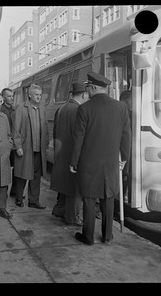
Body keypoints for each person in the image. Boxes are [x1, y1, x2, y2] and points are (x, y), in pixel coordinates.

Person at [70, 72, 131, 245]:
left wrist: (73, 162)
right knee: (108, 197)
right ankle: (107, 235)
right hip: (111, 162)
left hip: (89, 163)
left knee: (89, 198)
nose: (87, 91)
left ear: (94, 87)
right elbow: (126, 136)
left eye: (88, 87)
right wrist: (124, 158)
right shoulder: (121, 107)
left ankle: (88, 236)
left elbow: (78, 139)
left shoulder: (84, 109)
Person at [51, 82, 89, 226]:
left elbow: (55, 132)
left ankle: (59, 209)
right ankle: (72, 217)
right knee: (75, 188)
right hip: (73, 154)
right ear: (84, 94)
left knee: (63, 186)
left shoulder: (62, 109)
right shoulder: (79, 110)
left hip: (61, 153)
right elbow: (80, 135)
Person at [13, 83, 49, 209]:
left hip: (39, 149)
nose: (39, 97)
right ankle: (19, 198)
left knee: (36, 176)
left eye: (40, 95)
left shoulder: (42, 108)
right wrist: (18, 146)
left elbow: (46, 129)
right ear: (30, 95)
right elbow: (15, 129)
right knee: (22, 174)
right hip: (25, 148)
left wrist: (46, 145)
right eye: (36, 95)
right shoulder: (21, 108)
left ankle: (34, 201)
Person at [0, 88, 19, 199]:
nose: (11, 98)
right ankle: (4, 191)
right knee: (5, 169)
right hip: (5, 143)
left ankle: (14, 191)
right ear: (3, 98)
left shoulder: (15, 109)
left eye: (12, 96)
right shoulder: (1, 110)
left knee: (17, 168)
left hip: (15, 143)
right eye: (9, 96)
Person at [120, 90, 132, 203]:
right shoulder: (126, 113)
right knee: (123, 178)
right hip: (124, 152)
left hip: (125, 152)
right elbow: (126, 136)